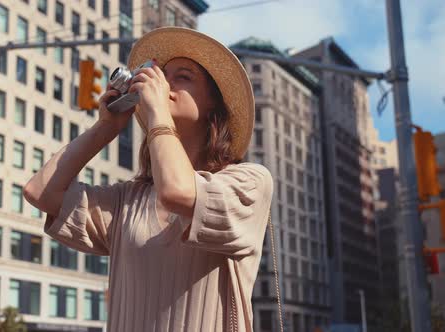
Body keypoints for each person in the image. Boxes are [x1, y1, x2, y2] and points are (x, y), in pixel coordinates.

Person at [24, 27, 273, 332]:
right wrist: (105, 128)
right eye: (160, 74)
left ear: (213, 106)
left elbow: (179, 192)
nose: (162, 83)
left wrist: (156, 111)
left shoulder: (249, 181)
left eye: (182, 76)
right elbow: (40, 192)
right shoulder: (130, 198)